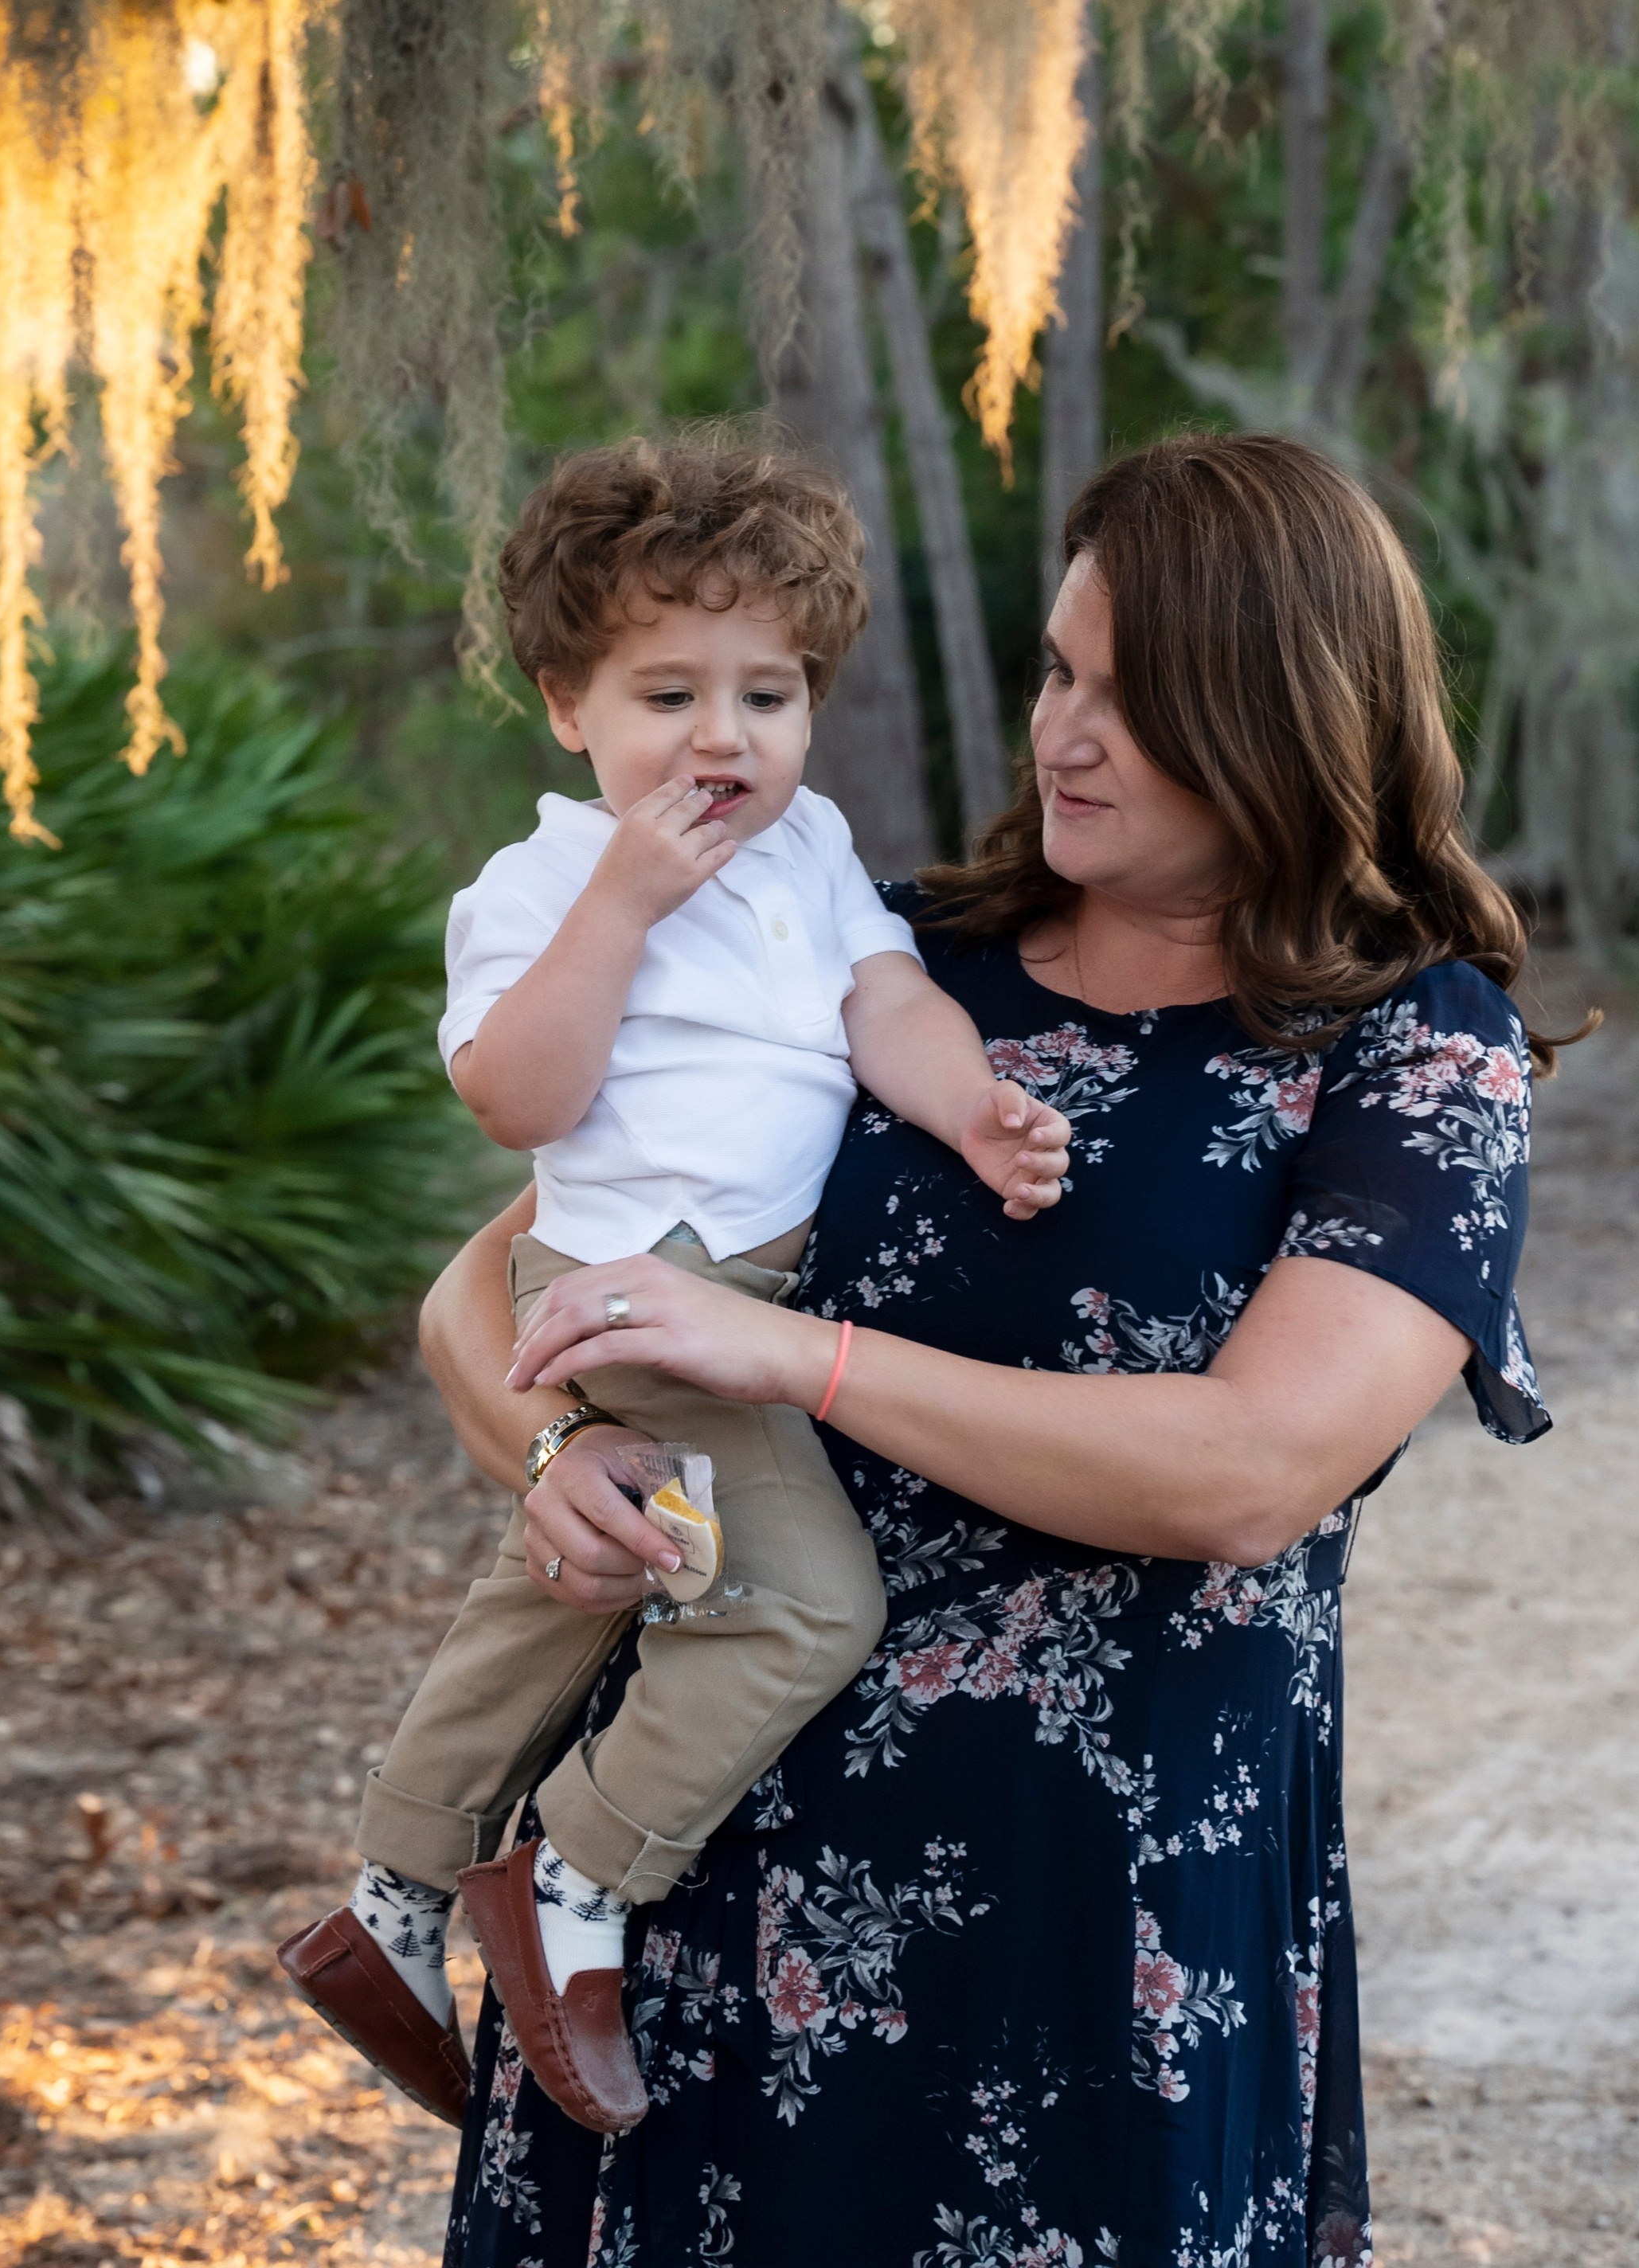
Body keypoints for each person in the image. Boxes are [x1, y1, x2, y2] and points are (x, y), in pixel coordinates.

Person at [426, 431, 1556, 2268]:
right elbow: (485, 1287)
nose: (1060, 735)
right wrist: (554, 1458)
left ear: (1285, 713)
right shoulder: (886, 963)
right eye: (1056, 671)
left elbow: (1250, 1472)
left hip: (1094, 1929)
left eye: (1136, 698)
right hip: (696, 1875)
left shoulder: (1413, 1055)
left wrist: (803, 1363)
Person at [279, 436, 1069, 2141]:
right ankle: (565, 1880)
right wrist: (625, 905)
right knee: (798, 1603)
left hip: (744, 1287)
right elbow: (517, 1098)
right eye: (668, 691)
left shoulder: (811, 851)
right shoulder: (542, 886)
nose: (723, 738)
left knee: (567, 1587)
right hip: (641, 1295)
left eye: (767, 694)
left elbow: (889, 1009)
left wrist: (970, 1105)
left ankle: (394, 1892)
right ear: (565, 701)